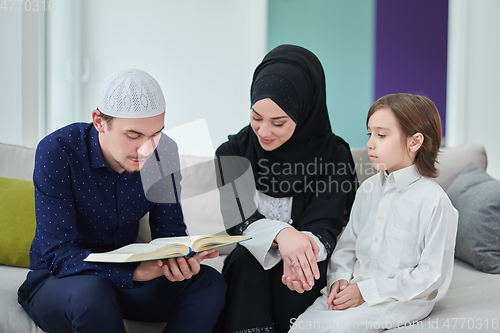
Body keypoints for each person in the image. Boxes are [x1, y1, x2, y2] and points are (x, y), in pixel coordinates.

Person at [17, 69, 226, 333]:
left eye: (155, 134)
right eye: (133, 135)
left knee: (208, 282)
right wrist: (134, 273)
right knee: (92, 293)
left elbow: (170, 234)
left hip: (127, 284)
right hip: (63, 281)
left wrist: (178, 261)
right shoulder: (58, 151)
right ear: (99, 121)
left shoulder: (163, 152)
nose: (147, 149)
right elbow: (60, 255)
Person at [213, 45, 358, 333]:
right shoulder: (231, 153)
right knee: (246, 259)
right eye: (256, 117)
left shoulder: (333, 155)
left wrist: (298, 250)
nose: (264, 132)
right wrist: (282, 234)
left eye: (278, 122)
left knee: (299, 273)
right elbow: (239, 221)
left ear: (304, 112)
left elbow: (325, 225)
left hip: (307, 270)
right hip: (248, 271)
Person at [289, 93, 459, 332]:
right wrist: (339, 279)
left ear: (414, 141)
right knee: (301, 327)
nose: (370, 143)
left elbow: (432, 275)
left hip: (402, 299)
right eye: (370, 134)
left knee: (338, 329)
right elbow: (347, 247)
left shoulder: (434, 201)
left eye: (381, 135)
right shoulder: (367, 189)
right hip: (355, 287)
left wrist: (367, 292)